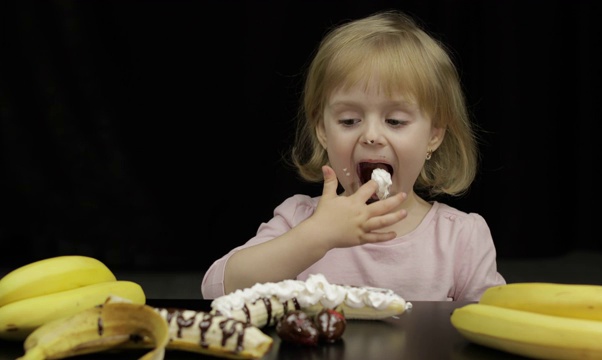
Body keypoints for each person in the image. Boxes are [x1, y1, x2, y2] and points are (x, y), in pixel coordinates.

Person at [201, 9, 505, 301]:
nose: (371, 135)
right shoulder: (300, 220)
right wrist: (316, 237)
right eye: (349, 121)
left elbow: (492, 324)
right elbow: (216, 289)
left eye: (395, 121)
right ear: (323, 130)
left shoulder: (460, 238)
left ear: (434, 135)